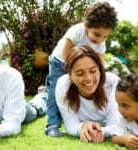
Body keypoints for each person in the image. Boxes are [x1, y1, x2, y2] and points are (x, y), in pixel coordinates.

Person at [45, 1, 118, 137]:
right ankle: (52, 125)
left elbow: (100, 61)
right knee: (54, 91)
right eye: (97, 34)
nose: (101, 39)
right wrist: (72, 74)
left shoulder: (101, 42)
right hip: (60, 62)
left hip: (80, 67)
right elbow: (67, 51)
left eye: (106, 36)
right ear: (86, 25)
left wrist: (100, 76)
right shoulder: (78, 30)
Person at [55, 45, 120, 142]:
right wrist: (83, 126)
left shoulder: (112, 83)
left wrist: (101, 131)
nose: (88, 78)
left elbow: (115, 124)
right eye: (80, 74)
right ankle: (42, 97)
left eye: (93, 71)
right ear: (70, 76)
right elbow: (71, 126)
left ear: (100, 70)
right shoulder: (63, 84)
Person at [0, 40, 46, 141]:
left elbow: (13, 124)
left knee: (35, 109)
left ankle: (44, 94)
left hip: (18, 110)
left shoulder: (11, 77)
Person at [111, 73, 138, 149]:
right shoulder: (123, 120)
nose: (120, 110)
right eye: (119, 105)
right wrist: (123, 139)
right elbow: (114, 138)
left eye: (125, 106)